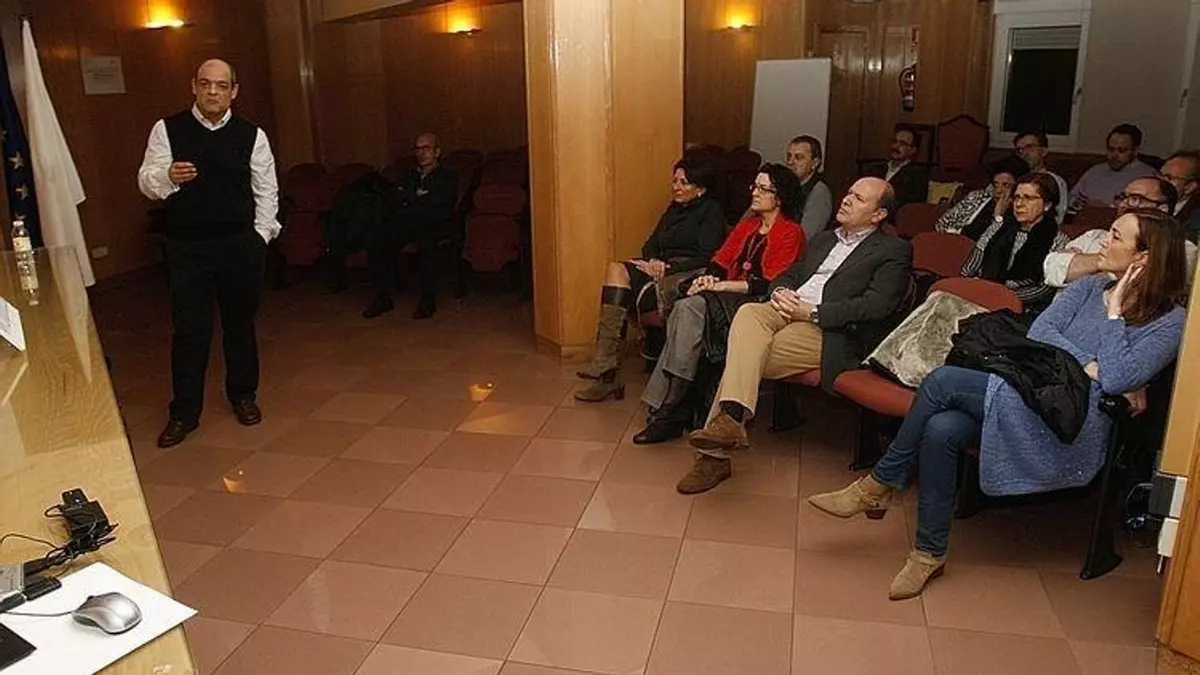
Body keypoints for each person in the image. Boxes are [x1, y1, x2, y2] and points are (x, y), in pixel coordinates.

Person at [808, 208, 1188, 600]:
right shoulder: (1089, 286)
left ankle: (881, 483)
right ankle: (928, 553)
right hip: (1030, 391)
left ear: (1143, 257)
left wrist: (1114, 315)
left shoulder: (1172, 322)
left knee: (941, 381)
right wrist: (1089, 365)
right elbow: (1041, 333)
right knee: (941, 429)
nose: (1104, 242)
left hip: (1070, 421)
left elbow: (1120, 377)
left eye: (1116, 236)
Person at [678, 177, 912, 493]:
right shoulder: (824, 239)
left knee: (745, 354)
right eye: (848, 192)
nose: (846, 199)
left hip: (828, 329)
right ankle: (729, 424)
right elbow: (791, 272)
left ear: (878, 215)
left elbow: (877, 306)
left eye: (858, 198)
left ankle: (716, 451)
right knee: (748, 314)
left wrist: (813, 312)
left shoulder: (894, 250)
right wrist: (780, 291)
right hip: (785, 309)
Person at [137, 59, 280, 448]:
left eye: (221, 85)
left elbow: (266, 190)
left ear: (234, 91)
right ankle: (184, 413)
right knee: (189, 332)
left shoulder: (252, 135)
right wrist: (167, 176)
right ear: (194, 87)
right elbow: (146, 181)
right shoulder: (167, 129)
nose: (213, 92)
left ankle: (243, 395)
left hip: (239, 245)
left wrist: (260, 237)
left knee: (240, 326)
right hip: (187, 248)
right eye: (205, 84)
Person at [632, 164, 807, 443]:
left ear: (780, 197)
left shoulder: (791, 232)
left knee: (689, 308)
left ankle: (668, 408)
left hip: (757, 303)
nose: (755, 192)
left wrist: (721, 285)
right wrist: (708, 278)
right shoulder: (748, 225)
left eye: (763, 189)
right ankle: (671, 408)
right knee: (685, 306)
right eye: (755, 186)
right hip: (724, 296)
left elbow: (771, 283)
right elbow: (720, 260)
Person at [573, 157, 725, 402]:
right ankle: (605, 365)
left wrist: (668, 268)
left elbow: (708, 256)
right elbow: (650, 244)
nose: (676, 187)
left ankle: (608, 376)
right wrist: (653, 261)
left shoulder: (711, 211)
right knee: (616, 270)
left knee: (625, 288)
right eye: (674, 181)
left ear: (701, 188)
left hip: (685, 272)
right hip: (660, 267)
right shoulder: (674, 209)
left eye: (684, 182)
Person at [363, 133, 457, 320]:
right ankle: (383, 298)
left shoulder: (447, 176)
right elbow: (396, 200)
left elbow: (438, 203)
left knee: (426, 241)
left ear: (437, 152)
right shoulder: (408, 176)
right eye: (418, 149)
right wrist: (417, 199)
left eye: (426, 148)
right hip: (407, 222)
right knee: (378, 239)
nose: (421, 153)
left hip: (435, 223)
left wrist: (410, 200)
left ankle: (427, 300)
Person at [1045, 177, 1195, 286]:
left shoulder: (1182, 248)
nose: (1125, 204)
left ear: (1162, 209)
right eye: (1123, 197)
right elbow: (1051, 270)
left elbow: (1154, 281)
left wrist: (1081, 261)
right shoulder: (1095, 236)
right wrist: (1115, 263)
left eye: (1136, 198)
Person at [959, 173, 1068, 311]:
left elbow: (1043, 289)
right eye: (1016, 197)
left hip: (1021, 309)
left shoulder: (1058, 241)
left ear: (1047, 205)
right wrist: (977, 289)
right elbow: (968, 269)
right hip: (981, 293)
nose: (1019, 204)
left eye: (1028, 198)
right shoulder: (999, 227)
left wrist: (999, 295)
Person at [1068, 124, 1157, 210]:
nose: (1114, 155)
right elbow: (1071, 198)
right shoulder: (1094, 171)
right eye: (1111, 149)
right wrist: (1081, 205)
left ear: (1135, 151)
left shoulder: (1149, 177)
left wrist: (1107, 208)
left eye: (1121, 150)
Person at [934, 157, 1025, 240]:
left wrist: (998, 216)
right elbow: (942, 223)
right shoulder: (978, 197)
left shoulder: (1021, 213)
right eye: (996, 185)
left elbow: (990, 244)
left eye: (1006, 185)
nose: (998, 190)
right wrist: (954, 234)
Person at [1013, 131, 1069, 224]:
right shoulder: (1008, 178)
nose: (1024, 153)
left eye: (1029, 147)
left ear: (1043, 151)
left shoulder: (1054, 181)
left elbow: (1058, 218)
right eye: (1019, 150)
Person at [864, 129, 930, 207]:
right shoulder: (874, 169)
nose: (895, 146)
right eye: (894, 142)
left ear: (912, 150)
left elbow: (911, 205)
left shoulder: (917, 175)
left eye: (902, 143)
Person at [785, 135, 834, 239]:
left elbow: (805, 237)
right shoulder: (785, 185)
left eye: (798, 157)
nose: (790, 162)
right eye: (789, 157)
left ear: (815, 163)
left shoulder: (819, 192)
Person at [1159, 150, 1200, 240]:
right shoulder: (1147, 201)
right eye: (1159, 175)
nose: (1159, 182)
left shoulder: (1196, 219)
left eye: (1168, 178)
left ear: (1190, 187)